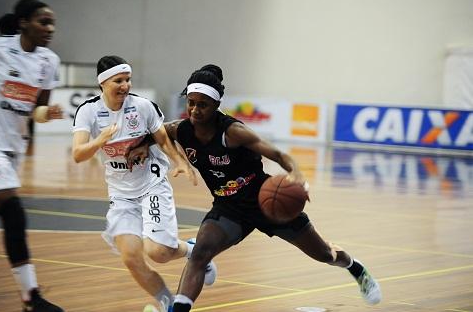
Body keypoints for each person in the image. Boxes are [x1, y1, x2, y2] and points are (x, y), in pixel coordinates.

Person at [126, 64, 382, 312]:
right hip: (229, 208)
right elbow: (158, 132)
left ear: (216, 105)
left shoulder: (234, 132)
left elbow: (280, 155)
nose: (194, 110)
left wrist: (297, 176)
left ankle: (356, 268)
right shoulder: (181, 130)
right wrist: (143, 144)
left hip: (266, 203)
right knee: (199, 254)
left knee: (324, 253)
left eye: (202, 104)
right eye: (190, 103)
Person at [71, 55, 217, 312]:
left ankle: (193, 251)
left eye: (128, 79)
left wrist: (180, 162)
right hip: (121, 193)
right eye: (119, 80)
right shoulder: (89, 111)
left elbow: (162, 138)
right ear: (103, 83)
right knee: (130, 257)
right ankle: (168, 304)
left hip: (151, 184)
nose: (125, 85)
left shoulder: (142, 107)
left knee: (159, 252)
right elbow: (78, 154)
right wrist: (100, 140)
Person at [0, 0, 64, 312]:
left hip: (14, 149)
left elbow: (37, 108)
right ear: (23, 22)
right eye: (43, 21)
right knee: (13, 211)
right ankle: (31, 298)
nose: (49, 28)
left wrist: (46, 113)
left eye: (52, 23)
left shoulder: (49, 61)